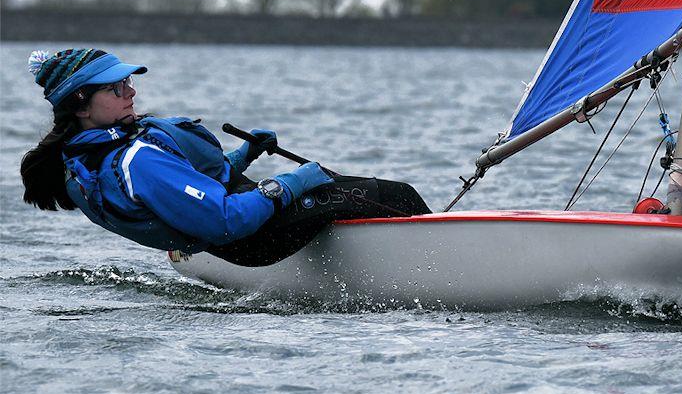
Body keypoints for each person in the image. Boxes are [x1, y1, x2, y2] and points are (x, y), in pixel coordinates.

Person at [21, 48, 430, 266]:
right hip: (255, 238)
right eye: (115, 88)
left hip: (232, 246)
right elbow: (224, 219)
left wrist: (244, 156)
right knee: (396, 194)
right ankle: (442, 266)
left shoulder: (84, 165)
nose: (131, 92)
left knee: (348, 194)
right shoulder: (137, 161)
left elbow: (187, 194)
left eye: (127, 82)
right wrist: (290, 182)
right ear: (80, 105)